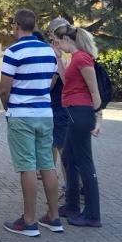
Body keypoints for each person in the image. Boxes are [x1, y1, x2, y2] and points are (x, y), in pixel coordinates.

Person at [0, 9, 63, 237]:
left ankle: (29, 221)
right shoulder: (49, 51)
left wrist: (9, 108)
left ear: (16, 25)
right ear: (34, 26)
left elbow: (4, 88)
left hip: (21, 114)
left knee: (27, 166)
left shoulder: (13, 52)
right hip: (45, 113)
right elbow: (52, 80)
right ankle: (54, 217)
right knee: (47, 164)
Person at [52, 23, 103, 227]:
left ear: (67, 40)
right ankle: (72, 206)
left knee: (84, 162)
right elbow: (67, 82)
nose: (58, 44)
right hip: (74, 111)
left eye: (59, 41)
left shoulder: (82, 58)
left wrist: (99, 119)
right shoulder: (75, 59)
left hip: (80, 113)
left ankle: (92, 215)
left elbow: (94, 90)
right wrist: (58, 58)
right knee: (68, 159)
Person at [47, 18, 71, 192]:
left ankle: (72, 188)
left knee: (64, 148)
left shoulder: (59, 52)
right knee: (59, 144)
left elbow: (52, 82)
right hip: (70, 106)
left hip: (60, 106)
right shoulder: (74, 49)